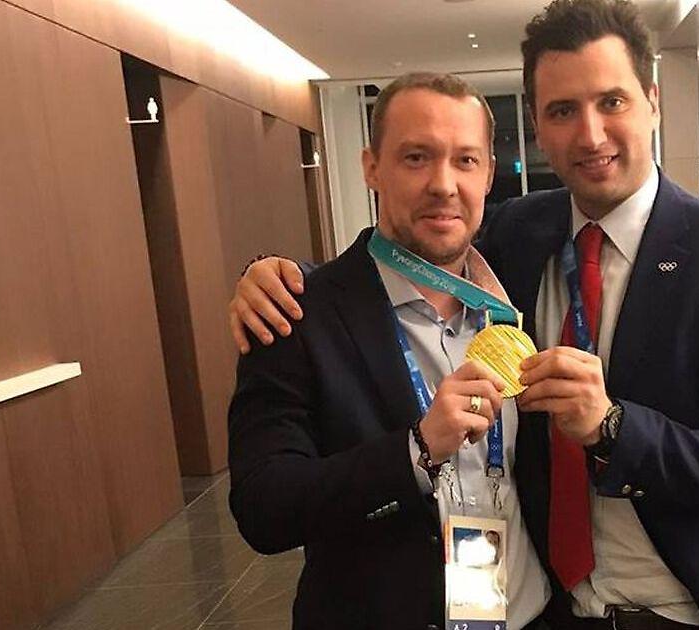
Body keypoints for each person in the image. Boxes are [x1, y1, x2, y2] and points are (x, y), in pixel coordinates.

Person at [231, 1, 699, 628]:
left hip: (691, 610)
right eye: (562, 110)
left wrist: (612, 427)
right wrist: (278, 275)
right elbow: (403, 255)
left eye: (611, 101)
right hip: (553, 609)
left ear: (653, 103)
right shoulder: (521, 235)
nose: (590, 135)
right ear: (536, 124)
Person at [226, 72, 551, 630]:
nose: (444, 184)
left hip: (527, 614)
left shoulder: (520, 298)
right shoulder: (295, 314)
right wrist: (415, 452)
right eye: (416, 157)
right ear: (372, 167)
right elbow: (263, 509)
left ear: (488, 174)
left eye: (465, 160)